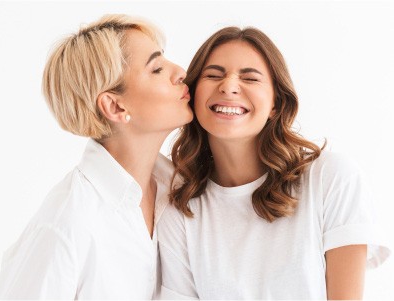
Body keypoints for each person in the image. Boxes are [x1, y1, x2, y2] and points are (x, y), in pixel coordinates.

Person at [157, 26, 391, 300]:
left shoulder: (331, 178)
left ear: (276, 105)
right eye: (213, 75)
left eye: (250, 78)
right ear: (193, 96)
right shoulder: (180, 208)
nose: (229, 86)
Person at [0, 14, 192, 299]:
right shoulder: (65, 226)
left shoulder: (178, 191)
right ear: (114, 106)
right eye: (157, 68)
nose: (180, 72)